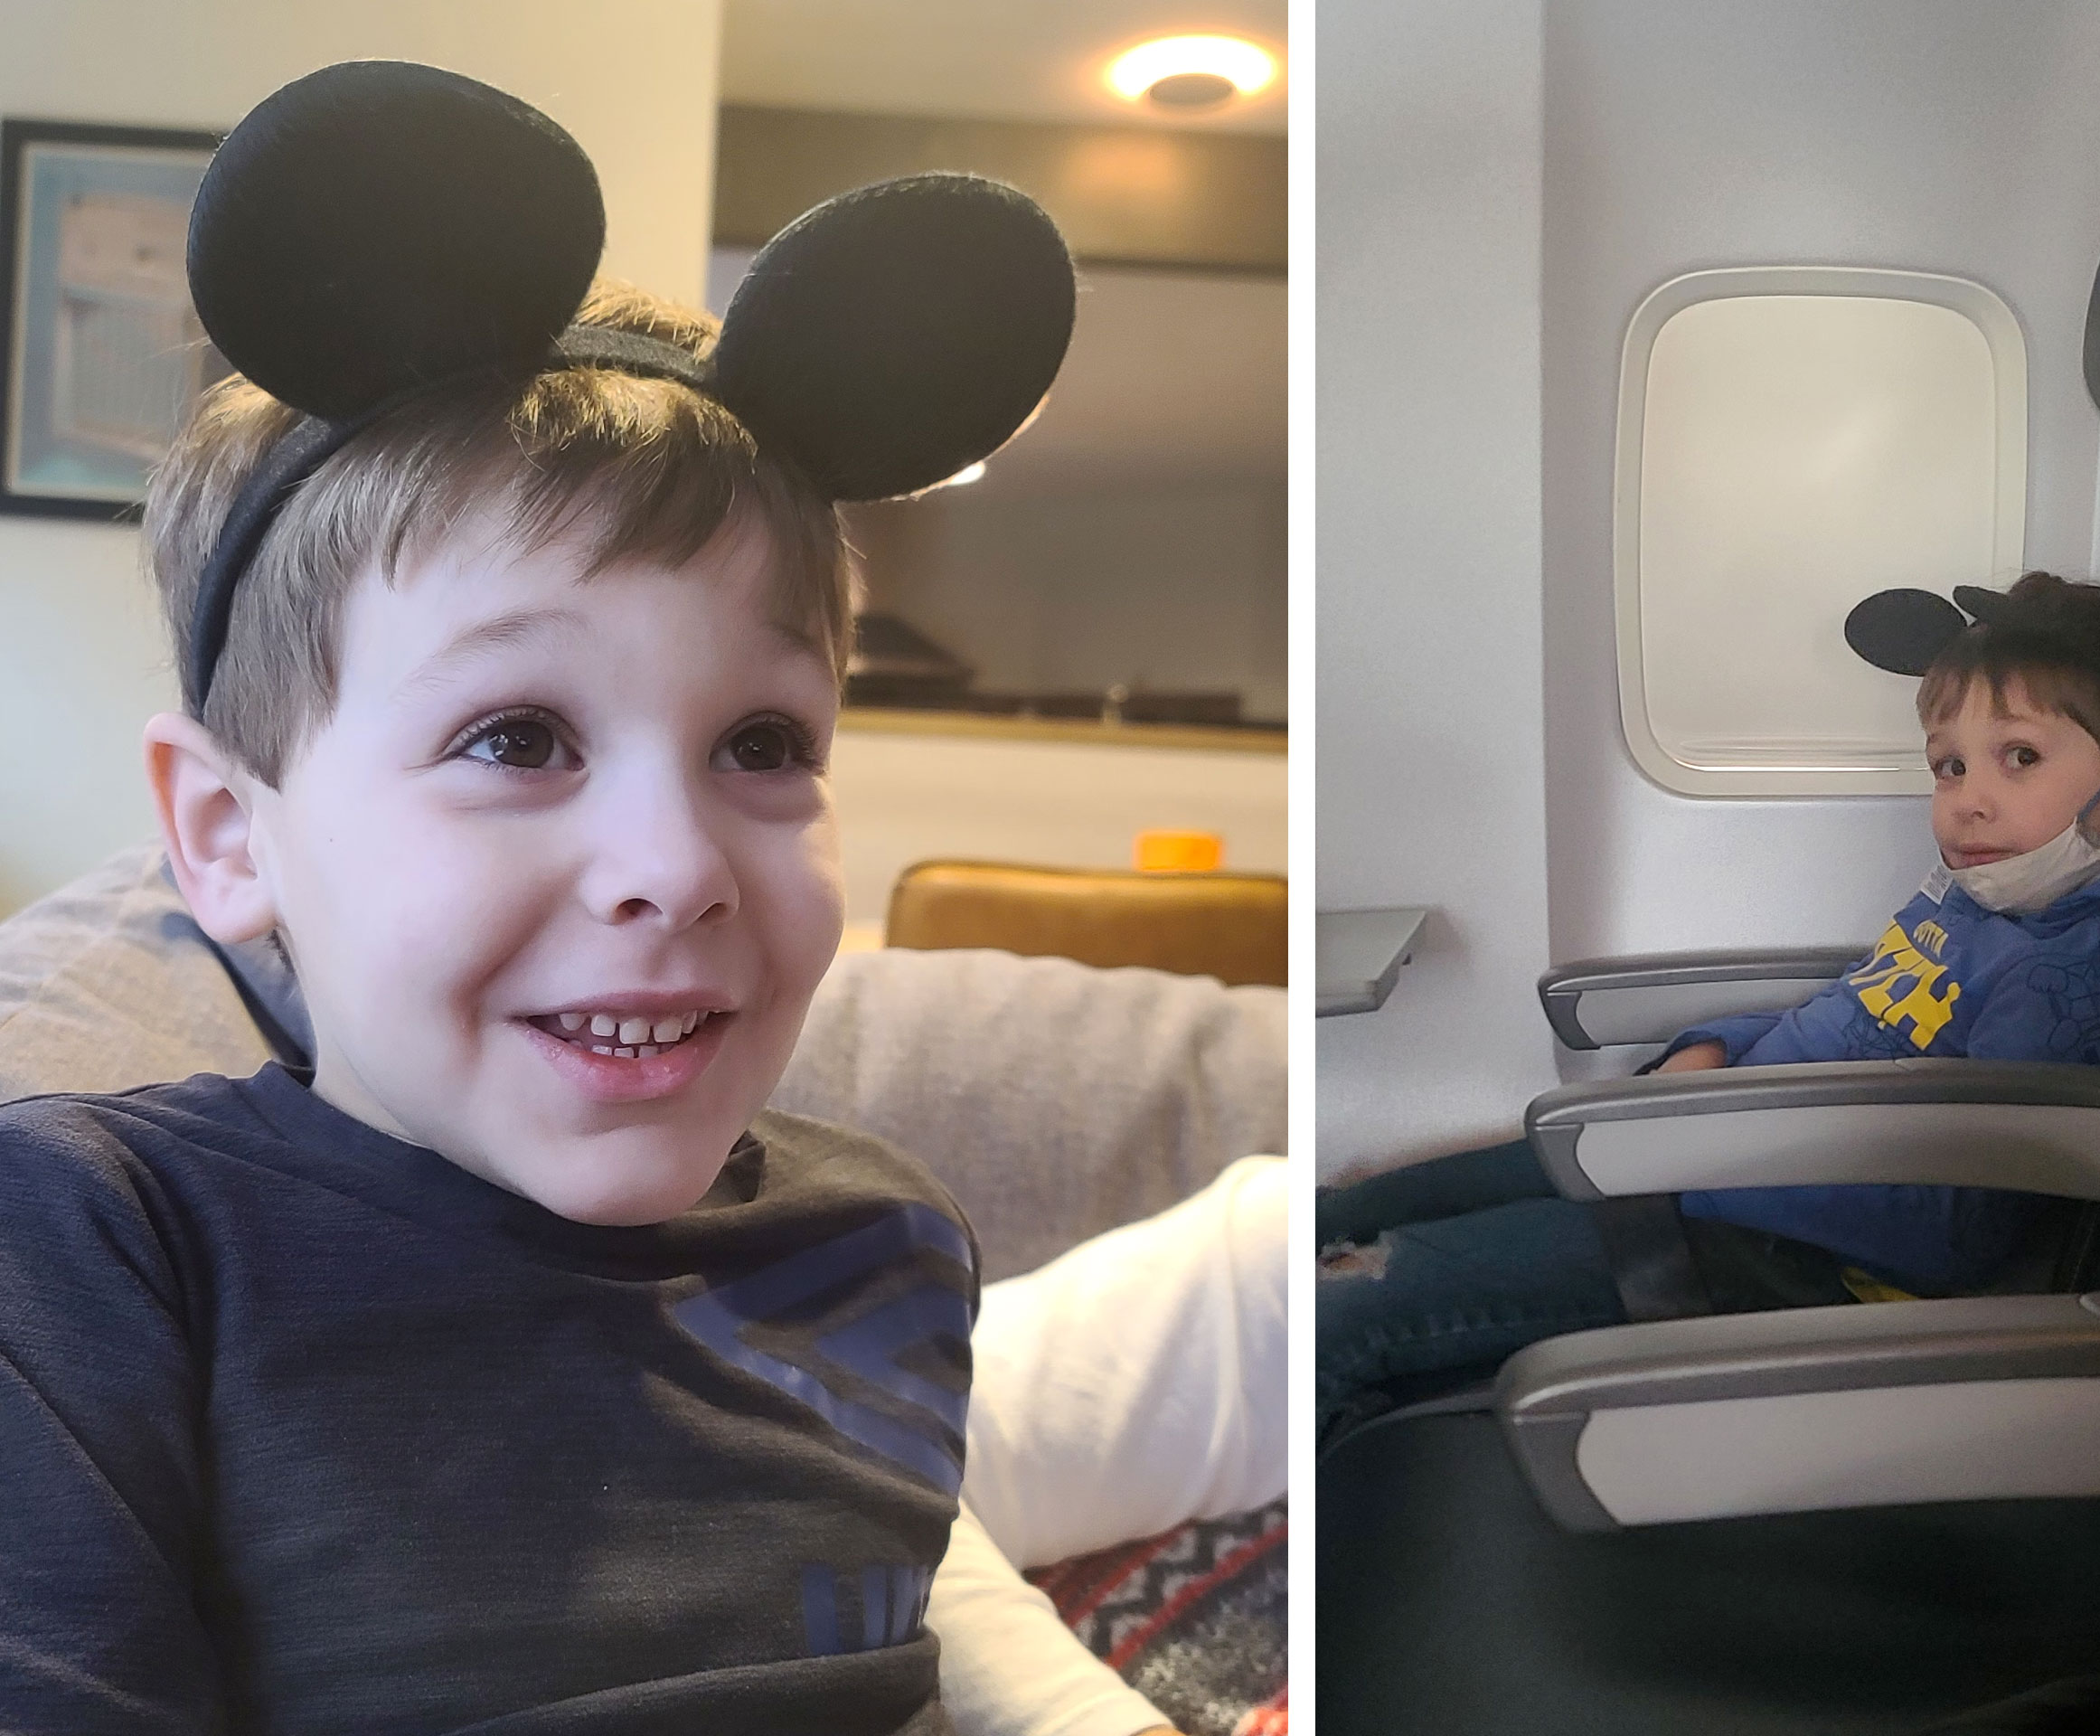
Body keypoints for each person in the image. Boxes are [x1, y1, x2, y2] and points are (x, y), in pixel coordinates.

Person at [0, 62, 1264, 1736]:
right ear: (230, 834)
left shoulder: (886, 1247)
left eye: (762, 741)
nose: (675, 868)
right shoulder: (98, 1250)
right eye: (516, 737)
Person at [1319, 571, 2100, 1439]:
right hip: (1703, 1154)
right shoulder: (1982, 895)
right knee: (1344, 1211)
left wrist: (1715, 1156)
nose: (1969, 799)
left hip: (1775, 1249)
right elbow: (1854, 1010)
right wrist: (1715, 1049)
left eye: (2021, 758)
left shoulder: (2068, 974)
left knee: (1337, 1315)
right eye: (1949, 766)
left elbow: (1958, 1227)